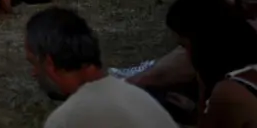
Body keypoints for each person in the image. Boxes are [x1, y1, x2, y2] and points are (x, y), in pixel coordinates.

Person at [25, 7, 177, 127]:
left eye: (34, 64)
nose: (33, 73)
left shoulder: (67, 120)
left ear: (50, 64)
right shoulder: (137, 96)